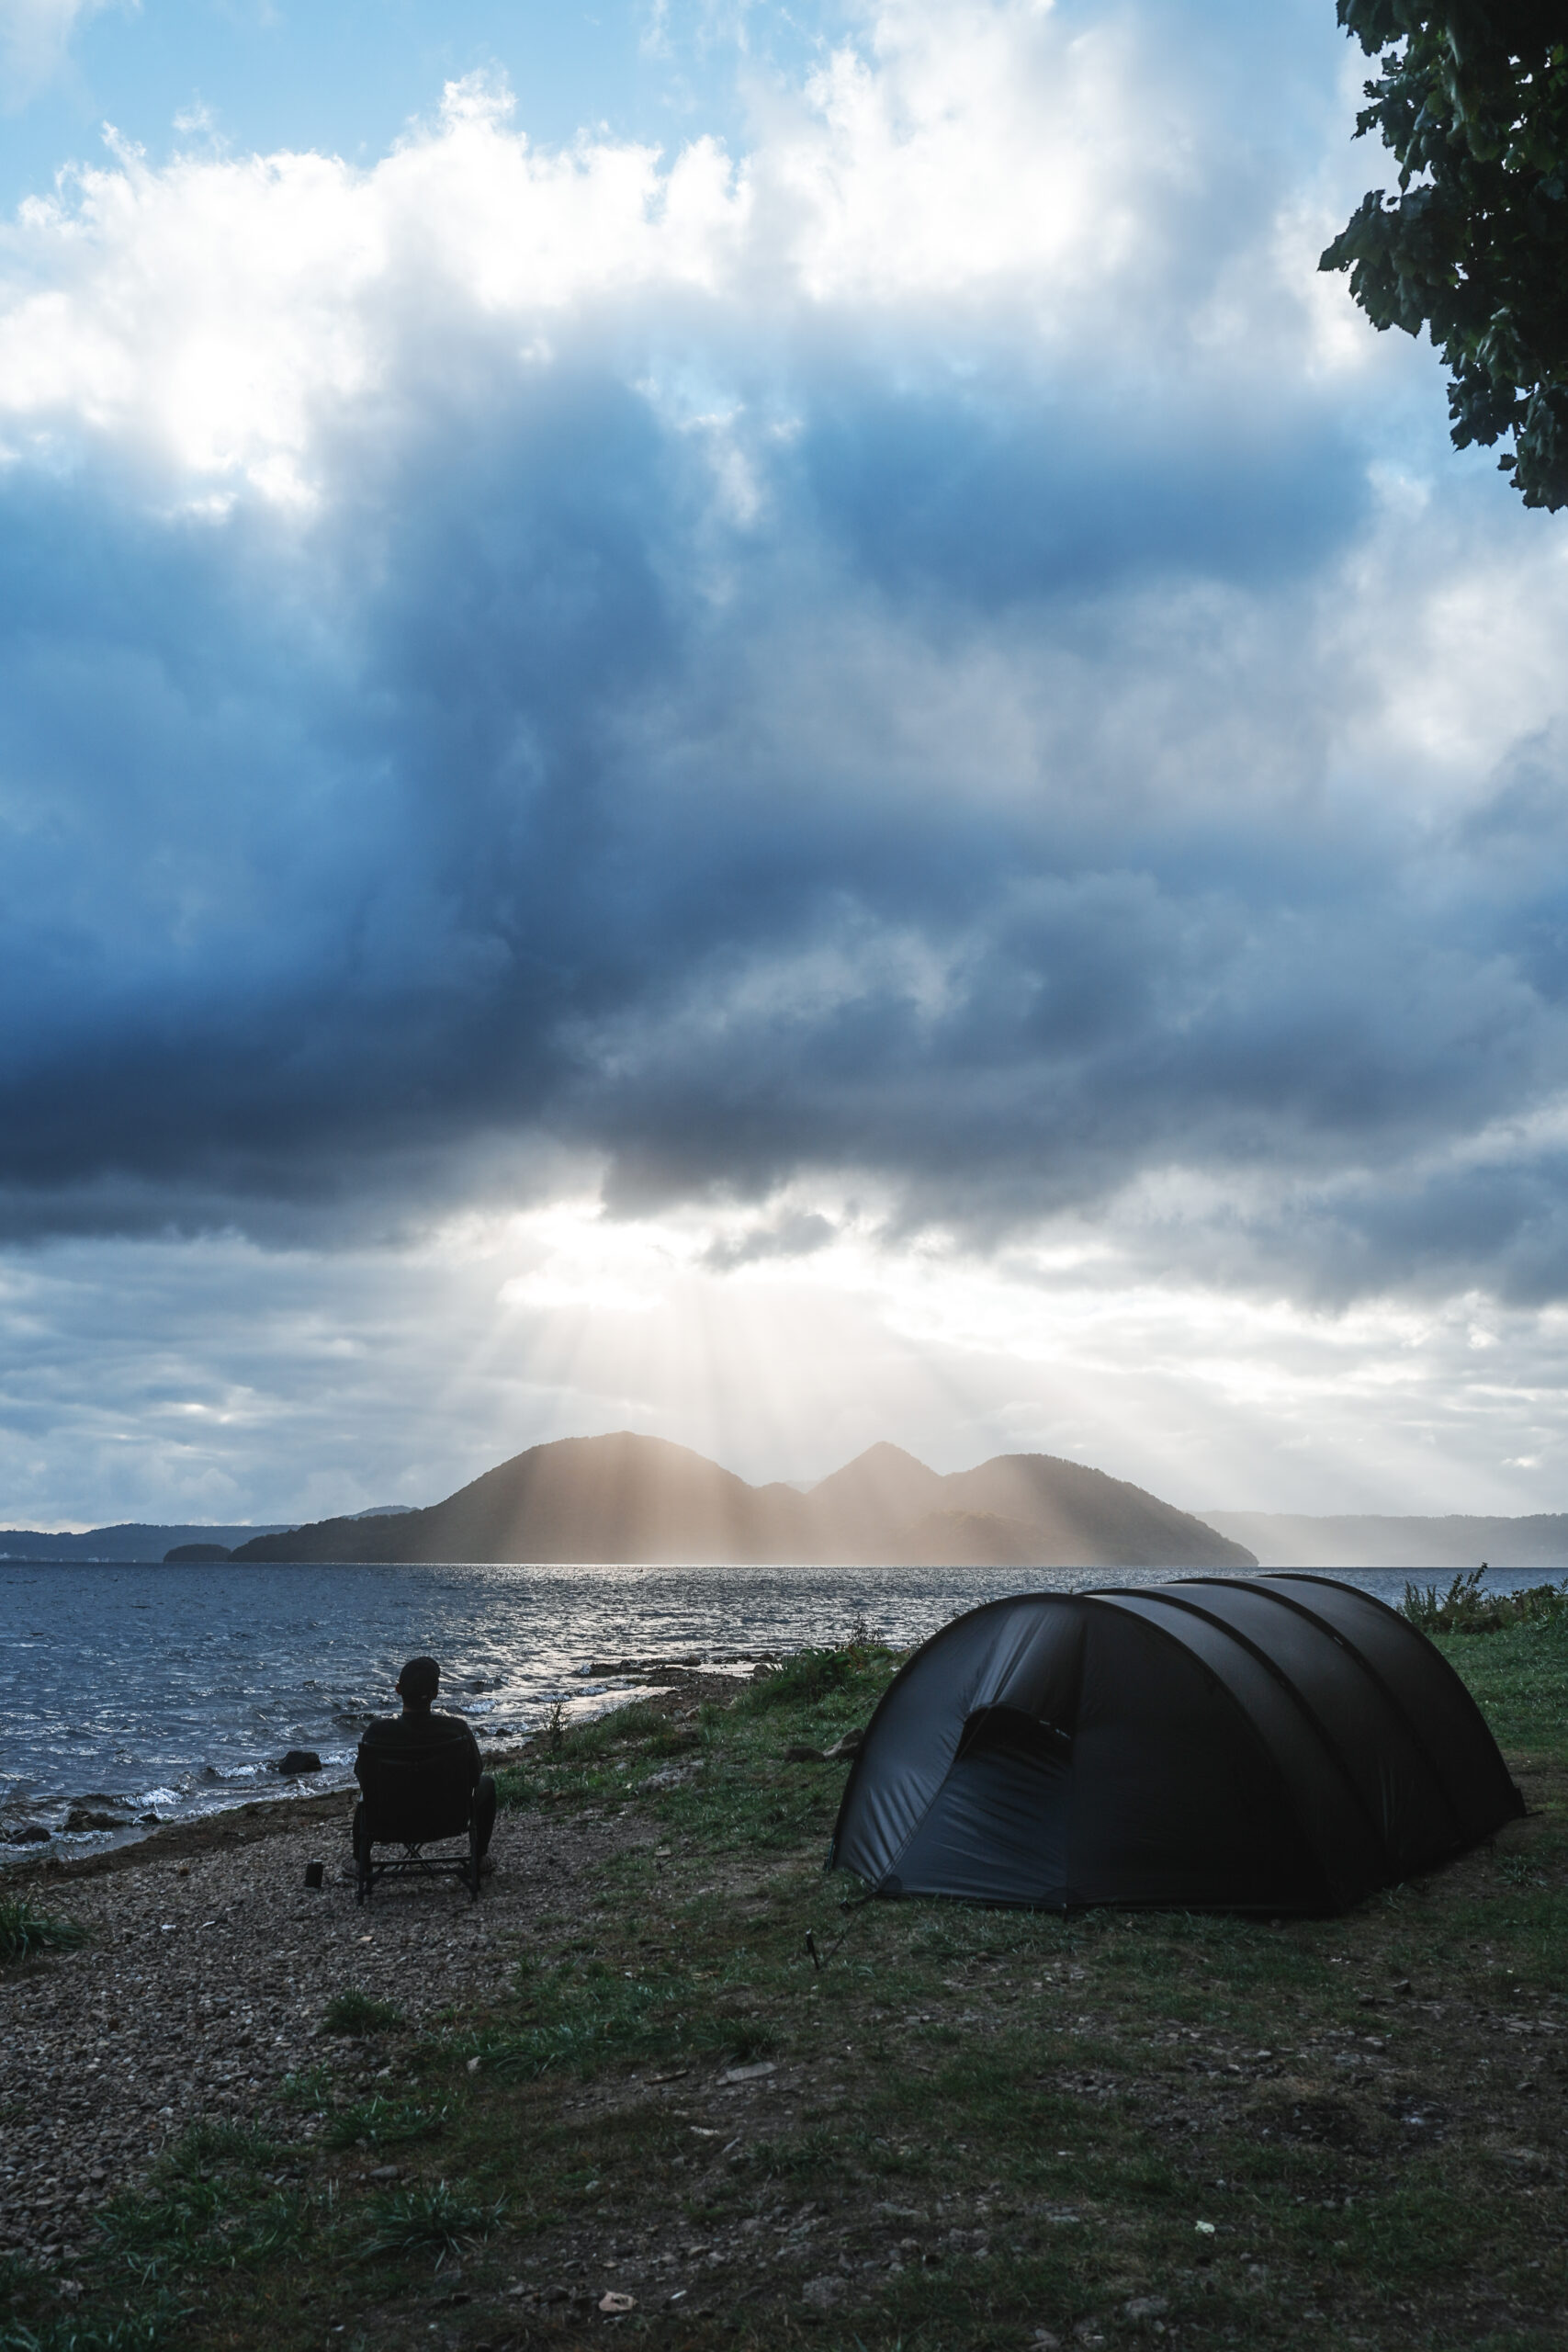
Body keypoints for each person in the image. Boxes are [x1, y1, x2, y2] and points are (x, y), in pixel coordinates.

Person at [353, 1655, 497, 1866]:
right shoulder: (456, 1730)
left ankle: (360, 1862)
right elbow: (475, 1776)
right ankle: (479, 1859)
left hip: (388, 1822)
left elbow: (363, 1779)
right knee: (488, 1784)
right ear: (435, 1694)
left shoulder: (377, 1733)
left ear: (398, 1690)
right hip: (447, 1820)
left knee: (365, 1798)